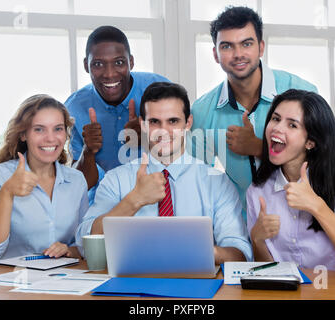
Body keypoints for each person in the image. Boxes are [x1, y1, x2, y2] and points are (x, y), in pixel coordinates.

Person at [76, 82, 253, 264]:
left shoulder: (216, 182)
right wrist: (135, 200)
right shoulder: (117, 179)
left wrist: (198, 252)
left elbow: (240, 252)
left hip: (196, 285)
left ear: (188, 123)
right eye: (154, 122)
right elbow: (85, 243)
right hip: (130, 286)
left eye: (173, 121)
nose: (163, 131)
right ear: (142, 124)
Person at [190, 6, 317, 219]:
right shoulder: (202, 110)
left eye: (246, 44)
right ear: (215, 53)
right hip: (242, 227)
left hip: (303, 222)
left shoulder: (304, 93)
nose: (238, 54)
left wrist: (260, 148)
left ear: (261, 47)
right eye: (227, 46)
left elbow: (324, 160)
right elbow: (198, 180)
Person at [246, 89, 335, 272]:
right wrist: (257, 240)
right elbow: (268, 273)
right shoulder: (258, 191)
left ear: (310, 142)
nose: (277, 128)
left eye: (292, 125)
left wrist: (317, 206)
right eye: (275, 119)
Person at [0, 94, 89, 261]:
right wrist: (7, 192)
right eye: (39, 129)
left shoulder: (76, 180)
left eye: (58, 128)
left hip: (64, 279)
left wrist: (69, 250)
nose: (50, 138)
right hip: (13, 280)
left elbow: (85, 243)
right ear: (23, 134)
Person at [65, 26, 169, 202]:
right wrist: (88, 151)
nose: (109, 73)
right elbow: (81, 184)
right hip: (105, 202)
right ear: (86, 65)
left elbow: (186, 155)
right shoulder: (74, 107)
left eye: (119, 62)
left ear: (131, 62)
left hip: (160, 200)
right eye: (98, 64)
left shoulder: (160, 88)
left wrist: (149, 136)